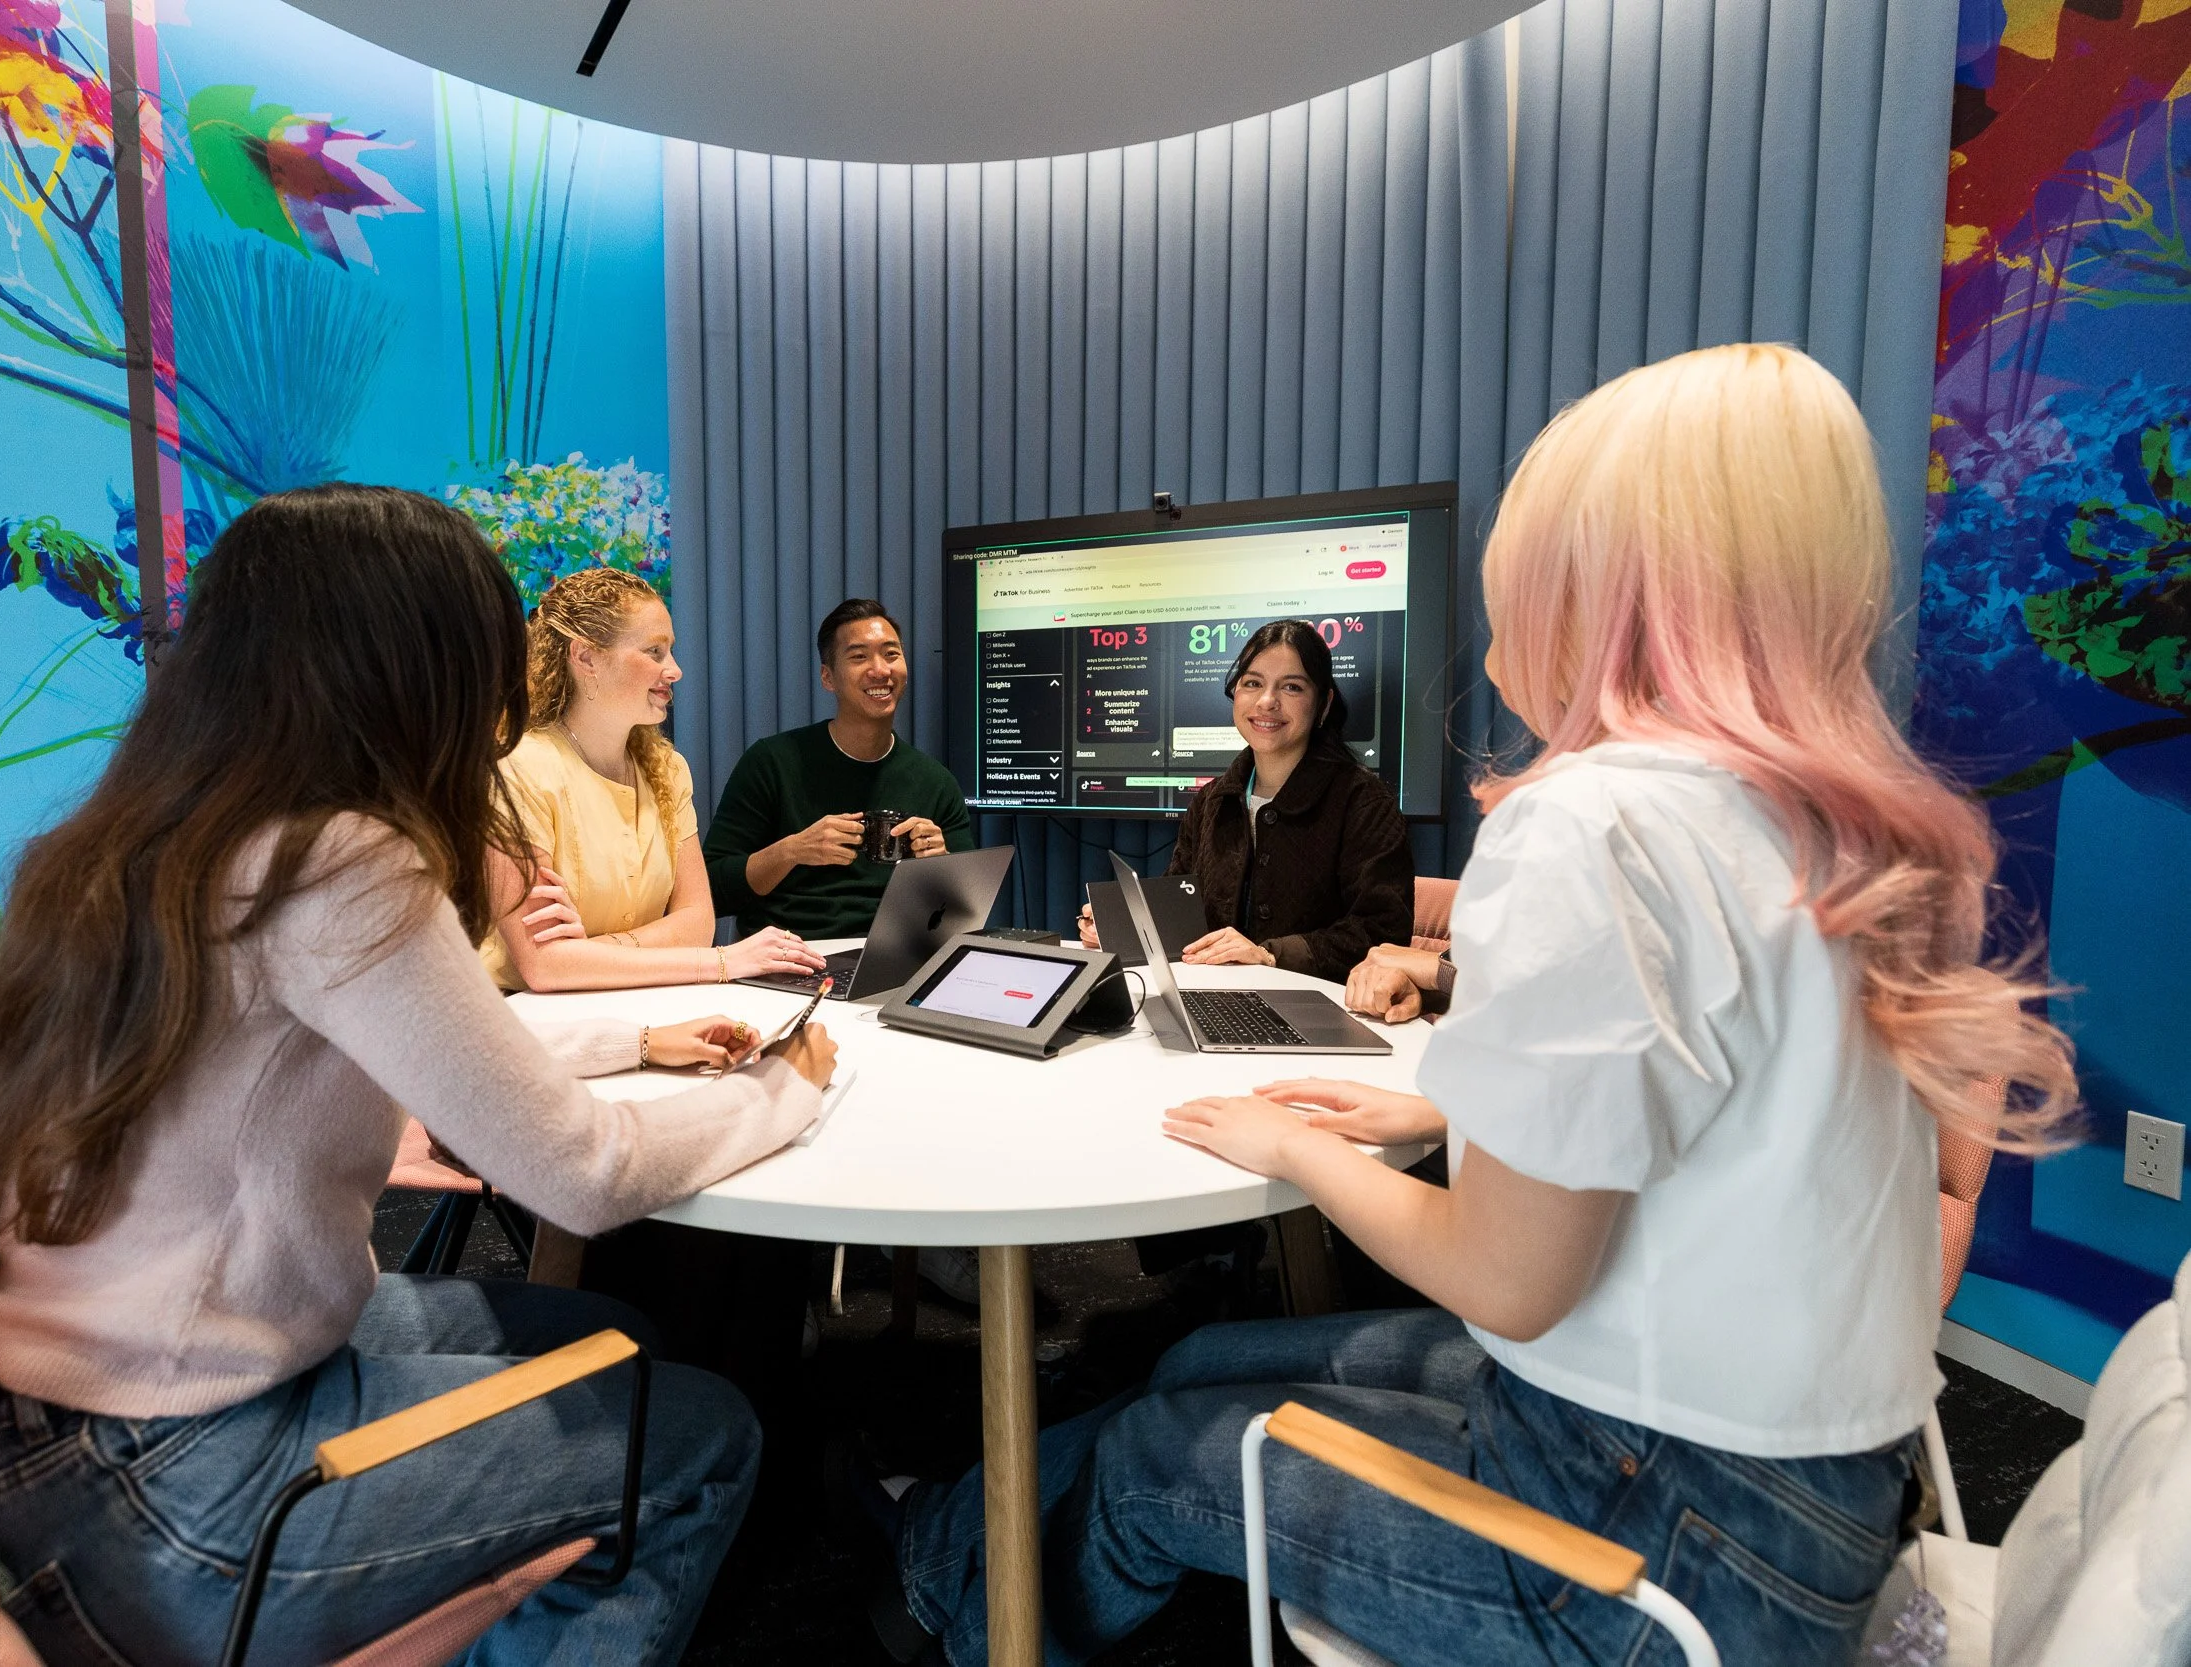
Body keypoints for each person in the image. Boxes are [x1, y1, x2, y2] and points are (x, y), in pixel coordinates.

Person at [853, 344, 2079, 1666]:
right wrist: (1441, 1097)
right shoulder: (1819, 818)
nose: (1492, 650)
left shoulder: (1593, 821)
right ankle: (972, 1527)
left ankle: (947, 1593)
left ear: (1596, 597)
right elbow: (1717, 1089)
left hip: (1662, 1533)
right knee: (1204, 1351)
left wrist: (1296, 1146)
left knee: (1162, 1450)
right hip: (1812, 1480)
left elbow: (1510, 1278)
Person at [0, 486, 839, 1667]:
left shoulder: (134, 837)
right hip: (168, 1487)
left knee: (609, 1327)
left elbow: (421, 1048)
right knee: (701, 1434)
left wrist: (635, 1042)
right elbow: (586, 1175)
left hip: (18, 1423)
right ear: (423, 670)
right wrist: (790, 1082)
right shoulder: (337, 858)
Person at [484, 565, 825, 992]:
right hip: (525, 1021)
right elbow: (544, 967)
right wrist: (721, 961)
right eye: (654, 652)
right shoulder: (519, 768)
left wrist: (593, 950)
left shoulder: (666, 768)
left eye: (671, 651)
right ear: (586, 657)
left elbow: (698, 923)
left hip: (642, 1006)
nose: (675, 670)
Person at [1079, 617, 1411, 984]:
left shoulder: (1364, 802)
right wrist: (1121, 923)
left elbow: (1383, 932)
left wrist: (1269, 955)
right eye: (1253, 683)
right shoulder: (1211, 801)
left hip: (1315, 1009)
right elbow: (1179, 908)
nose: (1267, 701)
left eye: (1292, 687)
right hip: (1212, 998)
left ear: (1323, 704)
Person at [703, 598, 975, 939]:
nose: (880, 669)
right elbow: (711, 889)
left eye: (891, 654)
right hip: (790, 955)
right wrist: (792, 850)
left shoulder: (935, 783)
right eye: (859, 656)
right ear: (828, 677)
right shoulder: (772, 763)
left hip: (893, 954)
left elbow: (964, 912)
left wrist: (942, 862)